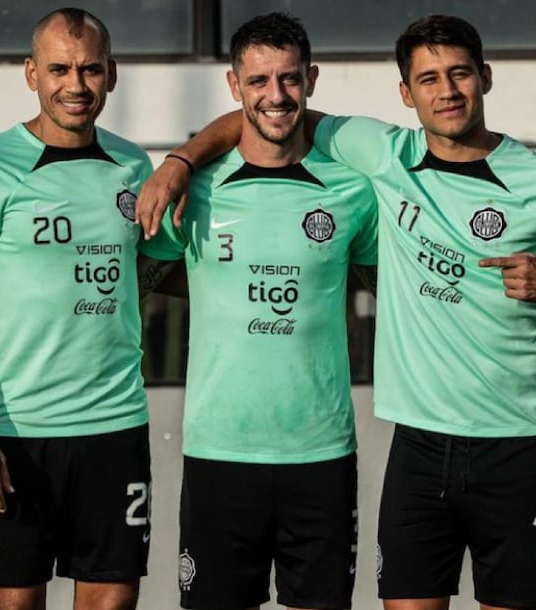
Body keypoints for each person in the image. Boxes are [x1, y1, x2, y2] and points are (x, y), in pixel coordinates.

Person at [135, 13, 536, 610]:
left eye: (459, 74)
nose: (446, 91)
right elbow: (264, 117)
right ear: (406, 92)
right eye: (428, 79)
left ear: (486, 78)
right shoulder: (381, 155)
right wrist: (181, 160)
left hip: (514, 446)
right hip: (416, 449)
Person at [0, 8, 173, 610]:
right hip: (16, 435)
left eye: (91, 69)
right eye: (60, 69)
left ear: (111, 75)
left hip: (115, 427)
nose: (76, 84)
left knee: (111, 603)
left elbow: (149, 273)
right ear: (31, 73)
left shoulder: (133, 167)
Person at [139, 13, 378, 610]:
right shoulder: (196, 191)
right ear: (233, 86)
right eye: (259, 81)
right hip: (220, 454)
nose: (276, 96)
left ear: (312, 80)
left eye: (290, 79)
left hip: (320, 453)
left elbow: (392, 282)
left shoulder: (352, 189)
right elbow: (141, 276)